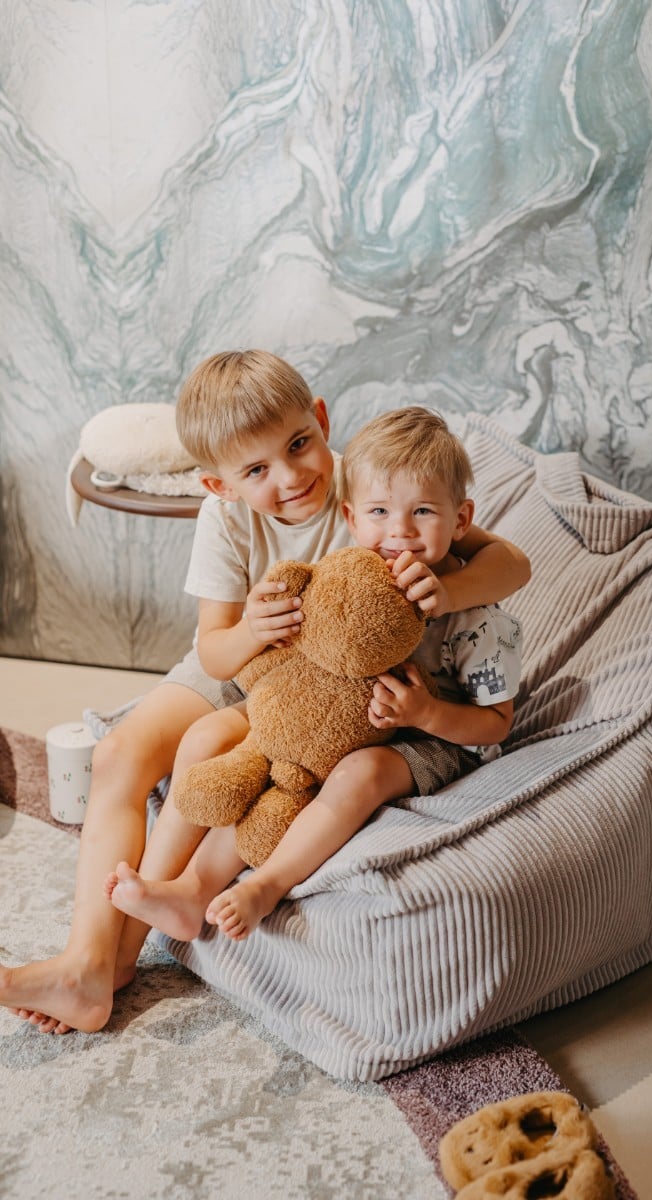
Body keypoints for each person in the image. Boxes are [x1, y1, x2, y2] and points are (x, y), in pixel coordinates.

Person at [0, 353, 530, 1034]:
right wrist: (252, 628)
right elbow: (214, 650)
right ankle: (92, 960)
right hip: (243, 667)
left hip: (326, 694)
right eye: (255, 471)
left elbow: (511, 563)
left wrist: (448, 593)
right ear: (218, 484)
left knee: (247, 753)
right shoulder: (225, 520)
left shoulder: (374, 490)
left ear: (321, 421)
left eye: (299, 445)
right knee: (118, 756)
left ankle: (104, 967)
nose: (290, 476)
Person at [106, 406, 523, 943]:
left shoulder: (479, 620)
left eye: (422, 511)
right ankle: (190, 890)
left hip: (431, 737)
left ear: (461, 521)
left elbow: (495, 724)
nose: (399, 532)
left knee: (358, 772)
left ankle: (267, 884)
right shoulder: (347, 575)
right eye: (379, 512)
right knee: (262, 746)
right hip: (336, 718)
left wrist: (426, 713)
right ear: (352, 518)